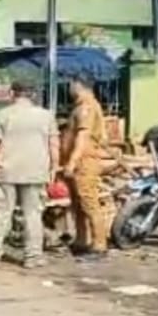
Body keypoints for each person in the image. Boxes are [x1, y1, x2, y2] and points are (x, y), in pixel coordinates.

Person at [0, 82, 59, 270]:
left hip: (6, 170)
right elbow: (54, 144)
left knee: (1, 213)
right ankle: (32, 257)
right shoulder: (46, 116)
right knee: (33, 214)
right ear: (32, 94)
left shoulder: (2, 115)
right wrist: (54, 167)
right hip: (35, 172)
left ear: (12, 93)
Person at [61, 74, 110, 256]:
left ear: (79, 85)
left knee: (89, 202)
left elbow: (83, 137)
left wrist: (72, 162)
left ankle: (99, 244)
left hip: (84, 162)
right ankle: (82, 240)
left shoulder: (87, 107)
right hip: (78, 161)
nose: (69, 88)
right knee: (78, 204)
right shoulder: (80, 107)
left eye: (71, 84)